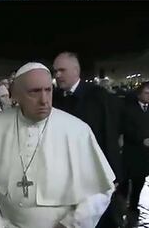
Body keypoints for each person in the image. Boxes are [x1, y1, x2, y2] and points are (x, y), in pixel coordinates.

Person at [0, 63, 115, 228]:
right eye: (34, 92)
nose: (44, 100)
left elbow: (100, 190)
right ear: (16, 95)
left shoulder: (77, 130)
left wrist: (71, 225)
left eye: (48, 90)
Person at [52, 52, 123, 228]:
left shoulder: (98, 97)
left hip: (94, 171)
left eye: (62, 70)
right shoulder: (56, 98)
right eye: (55, 71)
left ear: (76, 70)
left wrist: (113, 173)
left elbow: (109, 134)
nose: (57, 75)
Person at [118, 82, 149, 224]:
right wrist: (141, 139)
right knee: (124, 182)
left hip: (145, 156)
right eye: (146, 93)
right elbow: (125, 128)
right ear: (139, 94)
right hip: (130, 153)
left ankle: (133, 207)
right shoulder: (129, 109)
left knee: (139, 182)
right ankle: (121, 207)